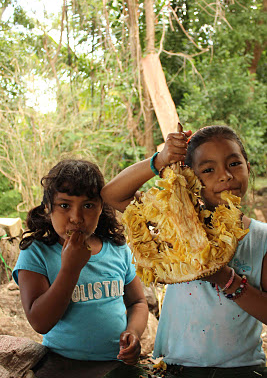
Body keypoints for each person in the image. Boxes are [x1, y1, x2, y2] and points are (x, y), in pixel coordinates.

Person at [101, 125, 267, 377]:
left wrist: (224, 279)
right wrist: (161, 159)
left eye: (234, 164)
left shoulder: (261, 237)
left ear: (248, 166)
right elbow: (111, 195)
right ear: (192, 180)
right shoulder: (175, 222)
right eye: (208, 170)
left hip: (241, 369)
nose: (225, 176)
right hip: (175, 367)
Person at [12, 159, 148, 377]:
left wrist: (134, 332)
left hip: (117, 364)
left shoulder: (117, 249)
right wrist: (70, 268)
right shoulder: (36, 253)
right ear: (48, 208)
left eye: (88, 205)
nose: (76, 218)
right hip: (61, 364)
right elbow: (40, 322)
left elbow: (138, 302)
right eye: (64, 205)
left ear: (101, 208)